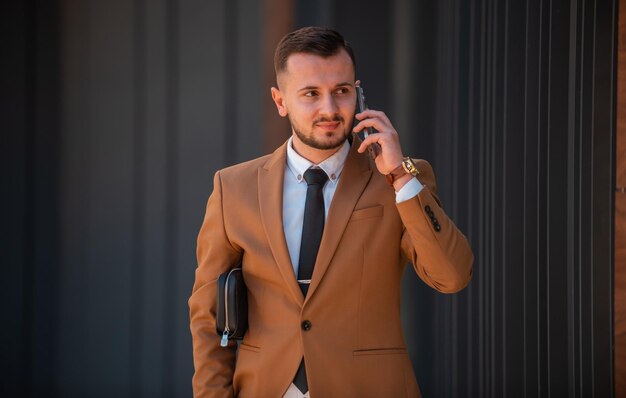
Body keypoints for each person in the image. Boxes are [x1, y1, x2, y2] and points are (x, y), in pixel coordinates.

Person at [189, 26, 473, 398]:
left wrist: (401, 176)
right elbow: (208, 317)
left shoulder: (400, 178)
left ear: (358, 92)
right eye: (310, 94)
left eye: (341, 91)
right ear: (280, 100)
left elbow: (451, 277)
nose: (329, 109)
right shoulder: (234, 188)